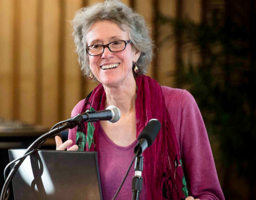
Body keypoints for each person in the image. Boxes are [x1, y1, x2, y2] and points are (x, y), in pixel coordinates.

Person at [55, 1, 225, 199]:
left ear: (136, 51)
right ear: (87, 57)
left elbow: (210, 194)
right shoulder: (82, 115)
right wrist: (62, 179)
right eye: (95, 46)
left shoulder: (179, 105)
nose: (106, 54)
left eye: (116, 43)